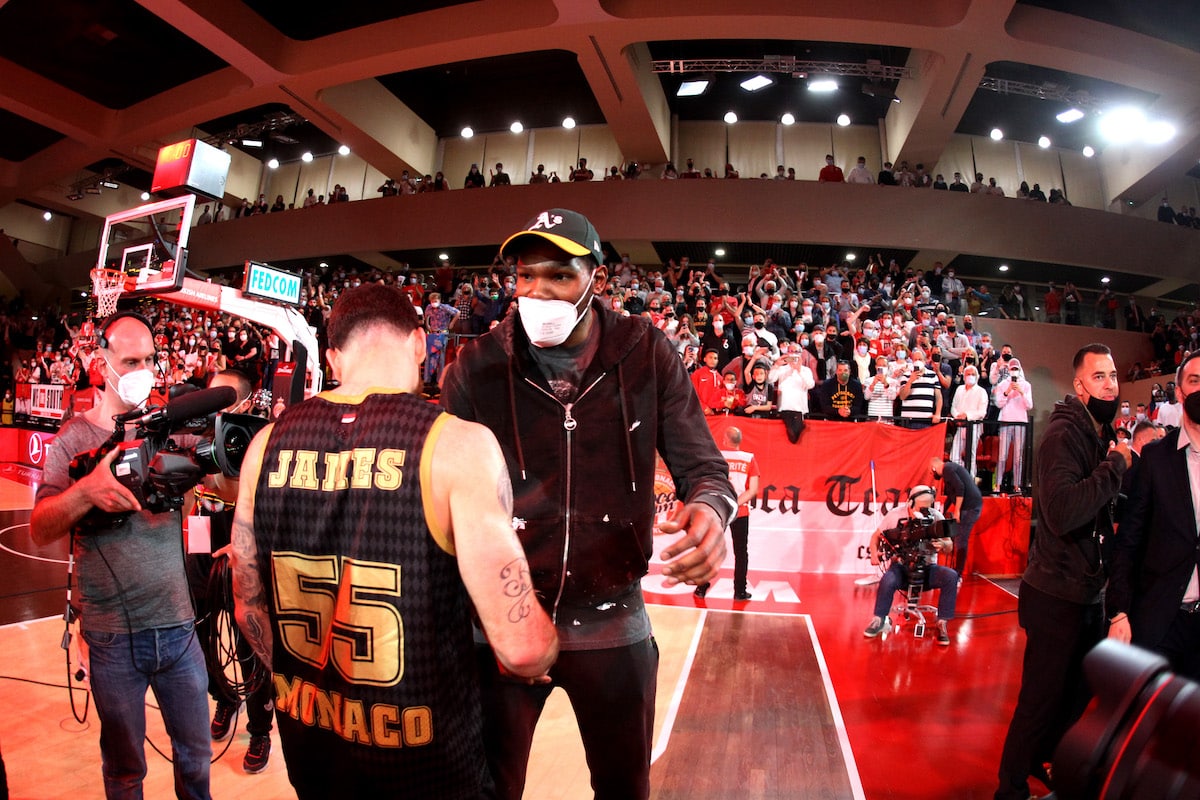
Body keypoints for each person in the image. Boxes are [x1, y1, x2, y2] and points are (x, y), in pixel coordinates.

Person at [440, 208, 736, 800]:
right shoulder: (475, 368)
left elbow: (705, 469)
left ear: (595, 278)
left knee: (625, 788)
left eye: (558, 276)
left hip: (612, 616)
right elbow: (446, 498)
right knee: (484, 789)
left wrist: (711, 509)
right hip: (502, 618)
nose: (536, 292)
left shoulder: (647, 353)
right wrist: (493, 618)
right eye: (524, 276)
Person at [230, 284, 558, 797]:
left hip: (314, 748)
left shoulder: (264, 445)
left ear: (333, 357)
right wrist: (547, 648)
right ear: (420, 342)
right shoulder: (456, 444)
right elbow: (521, 650)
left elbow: (248, 604)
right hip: (429, 765)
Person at [31, 313, 212, 799]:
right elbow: (40, 526)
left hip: (178, 628)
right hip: (112, 639)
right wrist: (86, 492)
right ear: (101, 363)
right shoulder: (73, 438)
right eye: (131, 360)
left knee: (196, 760)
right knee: (125, 772)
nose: (144, 370)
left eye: (150, 359)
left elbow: (222, 480)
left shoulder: (171, 426)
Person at [994, 343, 1131, 800]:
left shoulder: (1097, 432)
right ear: (1079, 385)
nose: (1109, 384)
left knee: (1078, 694)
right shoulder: (1063, 433)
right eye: (1099, 377)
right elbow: (1061, 511)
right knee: (1039, 701)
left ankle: (1041, 759)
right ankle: (1009, 789)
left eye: (1113, 375)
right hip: (1055, 594)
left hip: (1086, 592)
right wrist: (1115, 467)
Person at [184, 370, 274, 774]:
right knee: (200, 626)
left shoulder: (264, 443)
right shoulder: (203, 437)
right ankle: (224, 697)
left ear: (242, 402)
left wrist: (243, 543)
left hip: (244, 535)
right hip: (205, 528)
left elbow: (271, 510)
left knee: (246, 637)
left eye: (218, 397)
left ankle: (259, 729)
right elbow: (199, 496)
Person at [1107, 352, 1200, 681]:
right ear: (1179, 392)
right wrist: (1118, 611)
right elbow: (1130, 538)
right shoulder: (1156, 458)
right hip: (1161, 622)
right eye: (1195, 381)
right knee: (1149, 722)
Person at [862, 485, 958, 646]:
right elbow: (876, 537)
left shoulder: (937, 516)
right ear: (910, 503)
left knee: (950, 576)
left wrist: (943, 544)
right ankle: (879, 618)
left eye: (928, 507)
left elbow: (949, 546)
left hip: (928, 569)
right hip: (902, 567)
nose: (925, 511)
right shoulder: (895, 515)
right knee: (888, 580)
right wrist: (874, 554)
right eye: (921, 507)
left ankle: (942, 622)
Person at [694, 427, 760, 600]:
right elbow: (752, 490)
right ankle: (739, 591)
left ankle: (702, 587)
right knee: (741, 552)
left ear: (725, 439)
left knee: (710, 547)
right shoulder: (749, 459)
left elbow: (708, 482)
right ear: (739, 440)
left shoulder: (716, 456)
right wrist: (735, 503)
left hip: (719, 509)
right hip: (740, 511)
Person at [930, 456, 982, 577]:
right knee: (958, 537)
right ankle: (956, 571)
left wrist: (957, 510)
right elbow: (952, 494)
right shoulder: (949, 469)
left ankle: (958, 574)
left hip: (970, 508)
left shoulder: (947, 469)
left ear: (933, 468)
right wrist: (943, 510)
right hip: (970, 506)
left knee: (961, 539)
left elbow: (960, 488)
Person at [993, 359, 1033, 494]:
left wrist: (1021, 392)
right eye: (1012, 368)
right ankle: (997, 485)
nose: (1014, 370)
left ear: (1019, 369)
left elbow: (1029, 405)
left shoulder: (1026, 385)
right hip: (1006, 421)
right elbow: (998, 403)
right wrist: (1007, 391)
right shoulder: (1003, 384)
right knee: (1002, 455)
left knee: (1018, 457)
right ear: (1009, 370)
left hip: (1020, 422)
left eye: (1016, 368)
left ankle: (1017, 485)